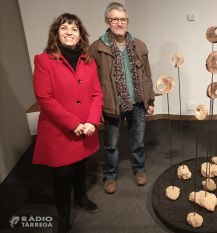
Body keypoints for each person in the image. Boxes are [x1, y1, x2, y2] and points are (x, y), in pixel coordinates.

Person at [33, 13, 103, 232]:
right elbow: (45, 98)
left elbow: (96, 94)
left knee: (81, 165)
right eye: (64, 28)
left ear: (80, 34)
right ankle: (63, 214)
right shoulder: (43, 60)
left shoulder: (88, 60)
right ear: (57, 33)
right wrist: (74, 123)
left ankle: (80, 198)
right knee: (62, 174)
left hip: (86, 127)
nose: (69, 32)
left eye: (74, 29)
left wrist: (92, 121)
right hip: (59, 129)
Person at [90, 2, 155, 194]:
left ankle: (139, 169)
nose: (119, 23)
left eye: (123, 19)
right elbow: (92, 82)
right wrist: (96, 109)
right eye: (115, 19)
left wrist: (150, 100)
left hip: (137, 103)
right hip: (112, 105)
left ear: (127, 22)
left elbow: (147, 76)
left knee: (138, 141)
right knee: (111, 144)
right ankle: (110, 175)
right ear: (107, 22)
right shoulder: (97, 48)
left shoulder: (139, 45)